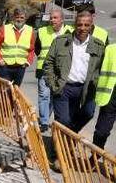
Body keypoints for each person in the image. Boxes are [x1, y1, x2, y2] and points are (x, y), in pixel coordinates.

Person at [44, 9, 106, 139]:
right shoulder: (61, 42)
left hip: (85, 89)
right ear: (74, 25)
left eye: (86, 25)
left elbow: (101, 68)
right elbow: (48, 63)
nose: (82, 28)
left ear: (91, 26)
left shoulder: (98, 46)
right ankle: (59, 150)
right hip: (63, 87)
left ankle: (66, 139)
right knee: (64, 121)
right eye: (79, 25)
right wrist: (53, 84)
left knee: (88, 113)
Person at [34, 9, 72, 132]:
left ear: (62, 19)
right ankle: (44, 122)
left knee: (56, 96)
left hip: (62, 71)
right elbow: (37, 49)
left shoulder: (70, 32)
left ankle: (56, 122)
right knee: (44, 95)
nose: (52, 20)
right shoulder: (42, 31)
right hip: (44, 69)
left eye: (55, 18)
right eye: (51, 18)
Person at [0, 8, 35, 85]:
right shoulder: (4, 28)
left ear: (25, 19)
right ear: (13, 18)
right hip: (5, 66)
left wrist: (28, 62)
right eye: (17, 17)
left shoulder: (30, 30)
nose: (19, 19)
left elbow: (31, 49)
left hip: (20, 67)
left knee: (16, 91)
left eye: (22, 17)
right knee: (4, 91)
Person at [93, 44, 116, 149]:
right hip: (110, 97)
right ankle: (94, 157)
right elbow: (97, 69)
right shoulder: (110, 49)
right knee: (101, 131)